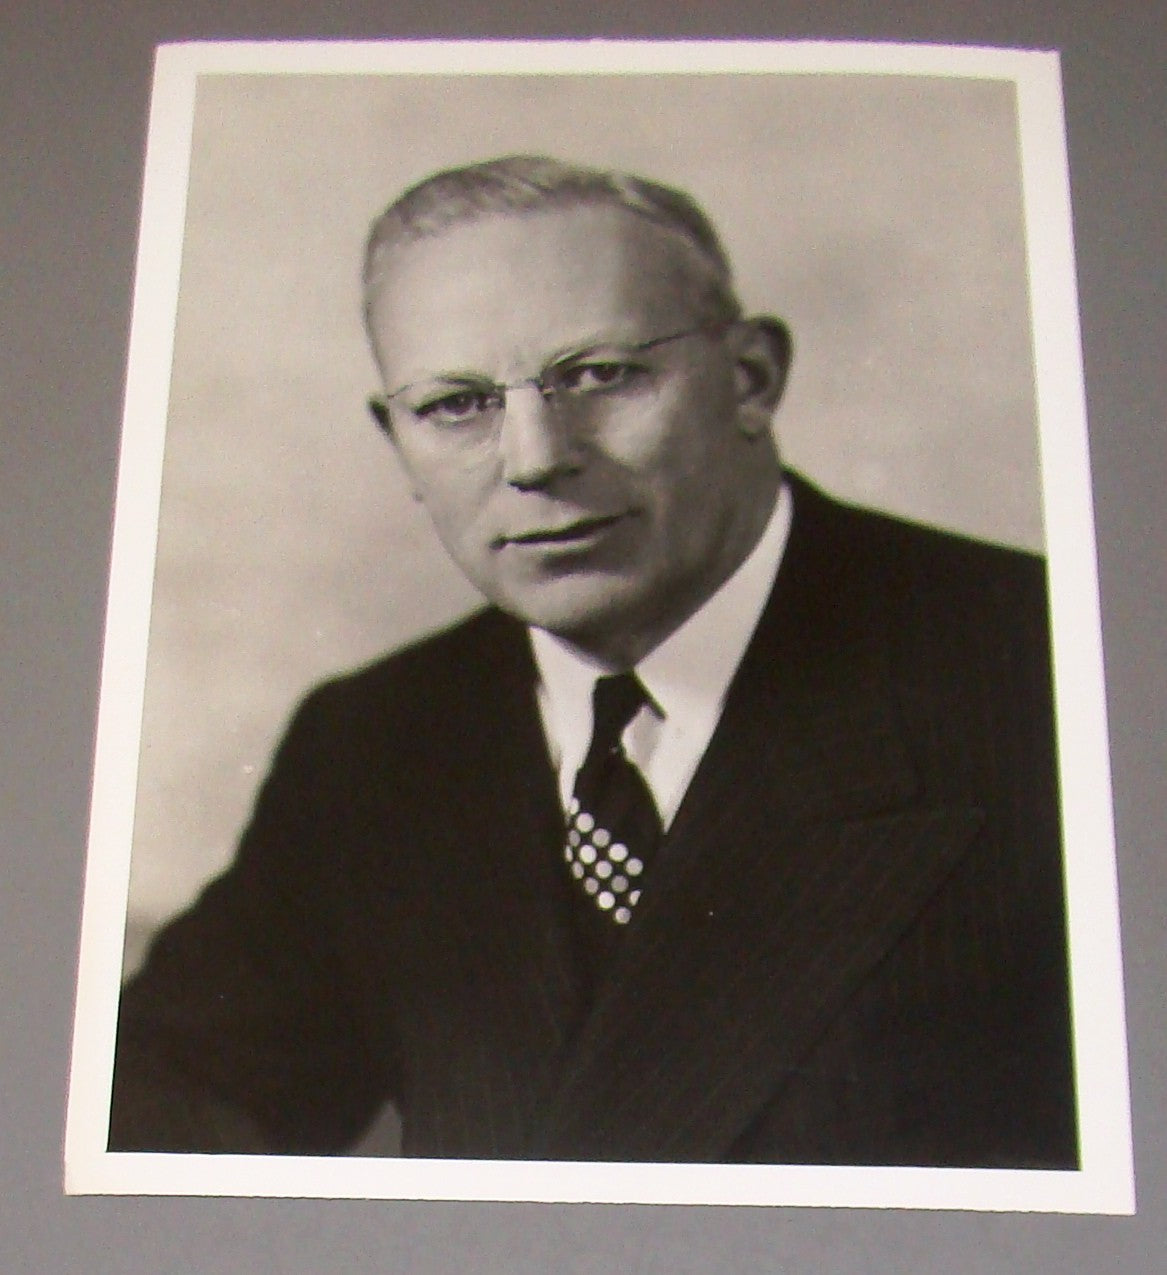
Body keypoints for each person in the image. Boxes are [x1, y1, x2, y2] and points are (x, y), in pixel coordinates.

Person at [109, 155, 1077, 1168]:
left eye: (599, 376)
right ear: (395, 441)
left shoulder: (1049, 674)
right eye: (455, 405)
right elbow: (162, 1093)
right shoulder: (374, 742)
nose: (534, 459)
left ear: (750, 379)